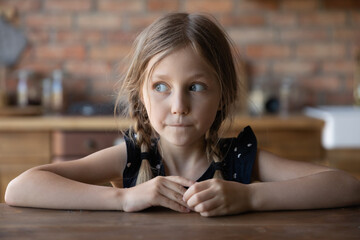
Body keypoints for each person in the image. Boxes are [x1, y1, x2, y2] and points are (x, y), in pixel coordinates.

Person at [5, 12, 360, 217]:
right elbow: (20, 189)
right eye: (161, 87)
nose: (178, 106)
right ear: (141, 97)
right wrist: (126, 198)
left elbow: (347, 186)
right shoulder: (131, 157)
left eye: (196, 87)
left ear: (223, 97)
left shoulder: (240, 159)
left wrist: (249, 197)